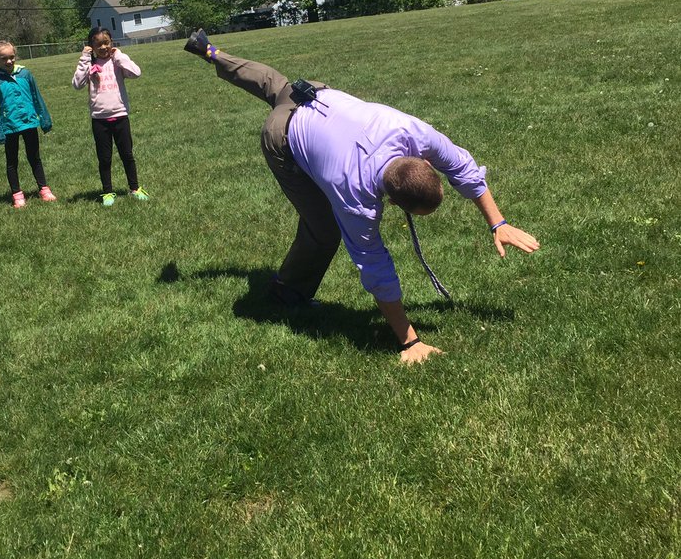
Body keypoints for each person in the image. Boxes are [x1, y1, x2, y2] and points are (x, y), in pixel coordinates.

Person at [184, 29, 540, 365]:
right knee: (324, 229)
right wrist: (410, 341)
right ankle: (286, 291)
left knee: (272, 83)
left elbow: (462, 166)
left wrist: (498, 223)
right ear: (393, 202)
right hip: (283, 135)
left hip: (312, 94)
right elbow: (374, 266)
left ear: (424, 161)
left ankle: (210, 51)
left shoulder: (412, 132)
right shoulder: (355, 197)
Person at [72, 28, 150, 207]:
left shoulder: (117, 62)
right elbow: (77, 84)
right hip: (100, 119)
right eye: (98, 44)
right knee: (104, 158)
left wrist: (119, 56)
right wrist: (84, 59)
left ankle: (134, 188)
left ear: (112, 43)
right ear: (91, 46)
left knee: (127, 155)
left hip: (120, 115)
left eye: (106, 42)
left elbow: (136, 73)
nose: (103, 47)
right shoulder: (89, 63)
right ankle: (107, 192)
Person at [0, 41, 57, 208]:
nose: (9, 61)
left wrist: (45, 120)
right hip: (9, 126)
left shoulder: (25, 74)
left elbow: (36, 97)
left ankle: (44, 189)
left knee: (35, 157)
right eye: (4, 58)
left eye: (11, 57)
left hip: (29, 122)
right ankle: (17, 194)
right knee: (12, 161)